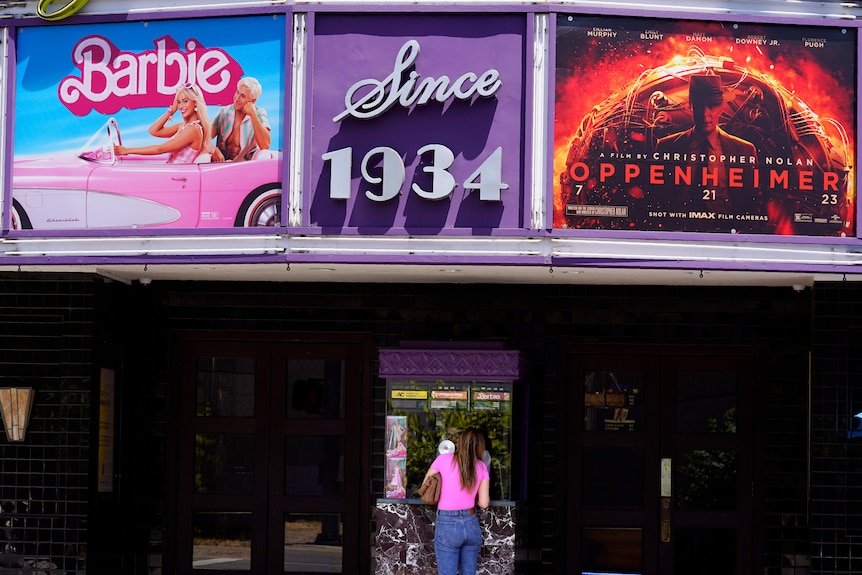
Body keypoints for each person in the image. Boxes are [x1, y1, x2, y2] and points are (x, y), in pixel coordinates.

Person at [655, 74, 758, 208]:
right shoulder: (666, 147)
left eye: (712, 106)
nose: (705, 113)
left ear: (721, 107)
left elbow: (750, 202)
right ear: (691, 106)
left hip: (725, 226)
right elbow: (658, 198)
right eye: (699, 106)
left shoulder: (745, 151)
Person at [422, 429, 491, 575]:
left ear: (460, 443)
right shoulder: (481, 467)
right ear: (480, 446)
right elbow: (484, 503)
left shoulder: (444, 459)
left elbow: (425, 486)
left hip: (447, 524)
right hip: (471, 523)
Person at [115, 83, 211, 164]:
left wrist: (127, 150)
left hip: (178, 178)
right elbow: (153, 130)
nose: (181, 106)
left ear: (195, 102)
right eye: (178, 102)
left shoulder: (194, 129)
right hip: (171, 173)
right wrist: (171, 111)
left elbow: (160, 149)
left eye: (185, 101)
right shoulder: (183, 126)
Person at [210, 76, 271, 162]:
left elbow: (265, 145)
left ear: (252, 101)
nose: (236, 98)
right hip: (220, 165)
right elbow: (205, 138)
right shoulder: (223, 112)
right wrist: (213, 148)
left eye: (242, 96)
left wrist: (253, 114)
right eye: (237, 92)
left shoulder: (259, 114)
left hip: (243, 168)